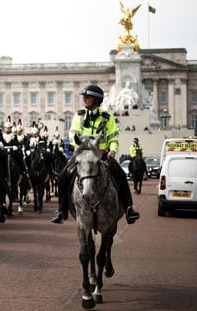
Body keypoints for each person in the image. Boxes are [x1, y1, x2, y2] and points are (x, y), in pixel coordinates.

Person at [51, 84, 140, 224]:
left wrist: (112, 150)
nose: (84, 99)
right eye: (84, 97)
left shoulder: (107, 117)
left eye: (88, 97)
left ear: (97, 100)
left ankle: (129, 208)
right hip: (82, 154)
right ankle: (61, 210)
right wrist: (78, 148)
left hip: (102, 154)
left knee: (120, 175)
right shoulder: (79, 116)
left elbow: (113, 137)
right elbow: (73, 134)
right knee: (63, 175)